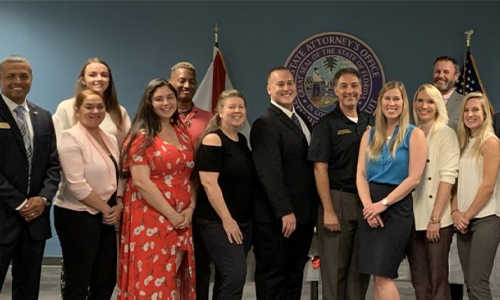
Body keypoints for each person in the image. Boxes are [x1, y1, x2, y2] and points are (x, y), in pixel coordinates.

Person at [118, 78, 195, 299]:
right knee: (153, 278)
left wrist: (188, 210)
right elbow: (141, 182)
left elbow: (189, 175)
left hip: (181, 217)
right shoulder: (141, 135)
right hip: (151, 216)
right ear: (149, 102)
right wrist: (171, 215)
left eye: (170, 97)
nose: (166, 103)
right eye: (159, 98)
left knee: (173, 275)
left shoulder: (181, 131)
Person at [250, 66, 318, 300]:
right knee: (273, 277)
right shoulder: (265, 123)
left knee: (294, 275)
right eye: (280, 84)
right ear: (269, 89)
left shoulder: (302, 119)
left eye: (290, 83)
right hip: (277, 219)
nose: (286, 88)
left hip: (303, 216)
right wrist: (284, 211)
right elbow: (269, 173)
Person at [356, 81, 427, 299]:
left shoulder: (414, 135)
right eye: (387, 98)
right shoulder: (369, 135)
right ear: (380, 103)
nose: (391, 103)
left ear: (404, 103)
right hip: (369, 208)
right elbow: (360, 175)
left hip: (395, 208)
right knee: (376, 276)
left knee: (384, 274)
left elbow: (414, 178)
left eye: (396, 99)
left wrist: (382, 204)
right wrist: (369, 207)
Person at [308, 68, 372, 300]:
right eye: (344, 86)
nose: (349, 91)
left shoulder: (371, 122)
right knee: (335, 270)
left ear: (361, 89)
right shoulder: (326, 125)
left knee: (359, 269)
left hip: (366, 203)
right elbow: (319, 168)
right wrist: (328, 210)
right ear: (335, 90)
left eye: (354, 85)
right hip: (338, 198)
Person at [0, 55, 60, 299]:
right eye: (11, 76)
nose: (18, 81)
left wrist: (43, 199)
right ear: (1, 79)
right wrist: (20, 202)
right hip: (3, 217)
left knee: (28, 291)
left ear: (31, 79)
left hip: (34, 221)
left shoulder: (43, 116)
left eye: (23, 76)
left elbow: (54, 165)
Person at [54, 89, 122, 300]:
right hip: (77, 216)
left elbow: (119, 175)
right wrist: (107, 209)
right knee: (79, 280)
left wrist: (118, 203)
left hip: (107, 214)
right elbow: (77, 185)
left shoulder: (109, 137)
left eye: (100, 106)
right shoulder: (70, 137)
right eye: (89, 106)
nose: (95, 111)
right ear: (78, 110)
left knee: (106, 278)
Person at [194, 89, 258, 299]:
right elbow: (208, 183)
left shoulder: (240, 140)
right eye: (231, 107)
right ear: (220, 111)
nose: (237, 111)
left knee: (226, 278)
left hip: (243, 221)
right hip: (218, 221)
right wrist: (227, 219)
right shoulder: (213, 140)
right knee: (235, 275)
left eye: (241, 107)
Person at [407, 84, 459, 300]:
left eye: (430, 101)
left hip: (436, 218)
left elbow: (447, 179)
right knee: (419, 282)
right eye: (420, 100)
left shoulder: (446, 134)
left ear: (438, 105)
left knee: (438, 280)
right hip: (412, 217)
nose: (424, 106)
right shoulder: (411, 133)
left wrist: (435, 219)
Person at [452, 92, 500, 300]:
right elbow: (455, 183)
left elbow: (488, 186)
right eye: (466, 110)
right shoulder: (463, 143)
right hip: (464, 221)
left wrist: (467, 215)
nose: (470, 114)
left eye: (475, 110)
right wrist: (455, 212)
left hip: (486, 220)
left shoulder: (490, 142)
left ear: (485, 113)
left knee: (479, 284)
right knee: (470, 284)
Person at [52, 57, 131, 145]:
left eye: (104, 75)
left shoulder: (119, 111)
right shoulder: (66, 108)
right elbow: (56, 143)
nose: (99, 78)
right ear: (83, 80)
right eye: (92, 75)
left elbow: (127, 146)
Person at [169, 62, 212, 144]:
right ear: (170, 83)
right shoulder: (160, 117)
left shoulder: (209, 119)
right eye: (182, 81)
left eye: (192, 82)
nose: (187, 86)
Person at [432, 56, 463, 131]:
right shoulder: (419, 100)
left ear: (456, 76)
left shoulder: (464, 103)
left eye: (446, 72)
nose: (440, 76)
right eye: (437, 71)